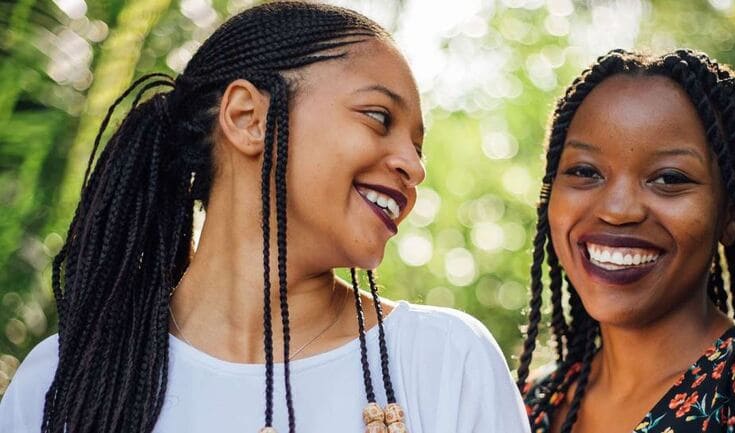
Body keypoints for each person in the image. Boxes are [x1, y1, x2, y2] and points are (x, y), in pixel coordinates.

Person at [0, 3, 529, 433]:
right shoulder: (66, 383)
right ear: (247, 118)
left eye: (417, 147)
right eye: (378, 117)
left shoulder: (444, 361)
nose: (414, 167)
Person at [516, 49, 735, 433]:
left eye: (668, 178)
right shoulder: (531, 404)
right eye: (585, 171)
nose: (618, 210)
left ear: (730, 214)